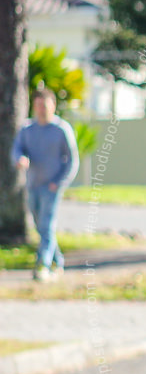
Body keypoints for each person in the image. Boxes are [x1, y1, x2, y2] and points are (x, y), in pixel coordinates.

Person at [11, 88, 80, 282]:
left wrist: (59, 182)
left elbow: (72, 161)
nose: (41, 109)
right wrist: (20, 159)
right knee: (41, 227)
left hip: (52, 187)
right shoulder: (27, 129)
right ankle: (58, 261)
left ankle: (43, 265)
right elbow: (16, 150)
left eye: (45, 106)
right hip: (32, 185)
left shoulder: (61, 129)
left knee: (47, 225)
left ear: (53, 106)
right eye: (38, 105)